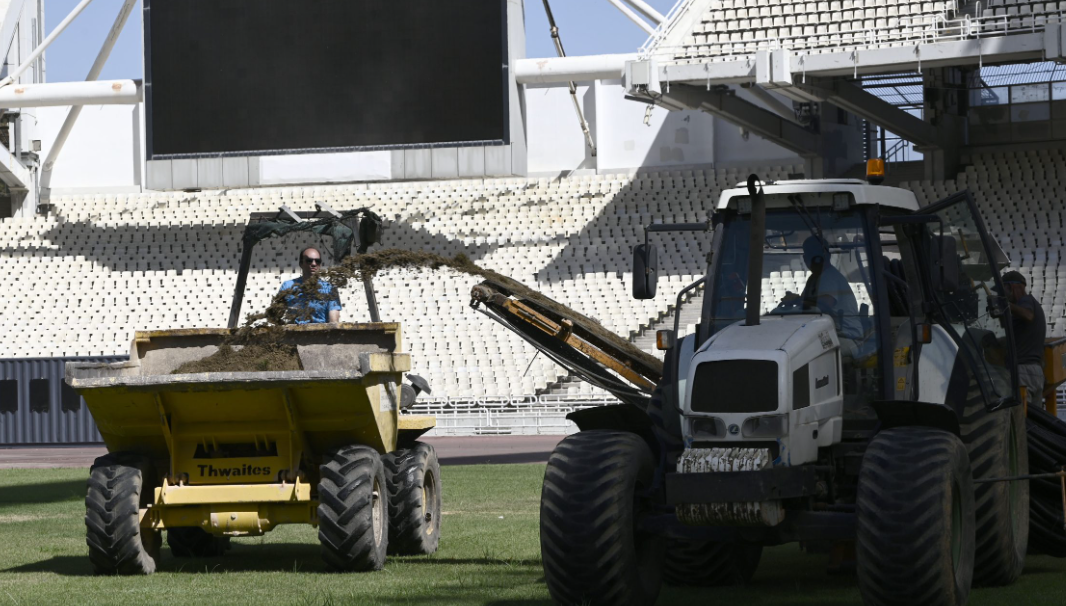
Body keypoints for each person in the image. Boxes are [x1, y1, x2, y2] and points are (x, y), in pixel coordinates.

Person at [795, 236, 863, 339]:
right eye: (810, 255)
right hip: (829, 332)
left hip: (847, 335)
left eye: (817, 254)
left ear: (827, 255)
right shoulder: (813, 278)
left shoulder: (829, 276)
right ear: (805, 258)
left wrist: (798, 300)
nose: (815, 259)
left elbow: (826, 303)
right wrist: (795, 300)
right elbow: (804, 302)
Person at [1002, 270, 1046, 407]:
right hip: (1035, 372)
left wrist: (1004, 304)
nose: (1002, 294)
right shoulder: (1033, 304)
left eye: (1003, 290)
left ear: (1011, 287)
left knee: (1019, 418)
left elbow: (1028, 315)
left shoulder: (1025, 301)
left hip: (1022, 372)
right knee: (1033, 419)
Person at [279, 247, 341, 324]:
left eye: (317, 261)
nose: (314, 264)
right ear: (301, 264)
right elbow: (276, 315)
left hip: (321, 330)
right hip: (295, 330)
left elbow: (334, 322)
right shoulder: (288, 286)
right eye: (309, 261)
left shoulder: (330, 289)